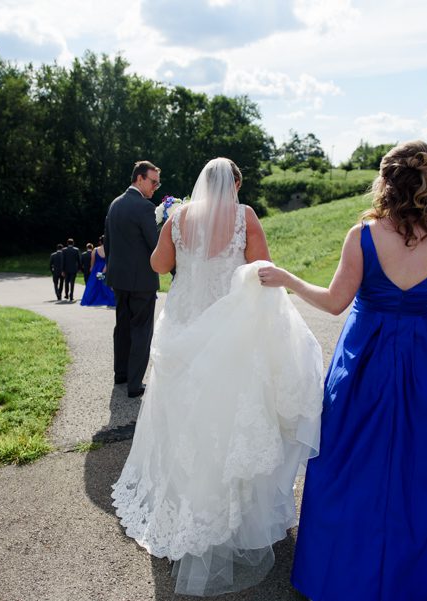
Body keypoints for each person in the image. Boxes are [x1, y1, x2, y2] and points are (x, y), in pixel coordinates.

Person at [258, 140, 427, 600]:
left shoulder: (363, 235)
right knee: (421, 460)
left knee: (347, 458)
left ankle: (339, 564)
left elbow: (335, 302)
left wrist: (288, 279)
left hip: (364, 358)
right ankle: (410, 565)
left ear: (385, 181)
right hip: (421, 361)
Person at [112, 158, 324, 596]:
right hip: (229, 331)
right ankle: (232, 516)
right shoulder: (245, 216)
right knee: (228, 417)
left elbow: (159, 265)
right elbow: (263, 271)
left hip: (184, 327)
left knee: (183, 419)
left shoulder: (177, 216)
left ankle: (185, 505)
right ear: (235, 185)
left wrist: (173, 234)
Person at [104, 161, 162, 398]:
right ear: (140, 178)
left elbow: (108, 243)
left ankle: (121, 375)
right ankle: (135, 384)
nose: (155, 187)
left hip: (118, 278)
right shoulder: (145, 207)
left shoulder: (115, 204)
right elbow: (155, 245)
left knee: (123, 326)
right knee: (141, 330)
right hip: (142, 281)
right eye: (153, 182)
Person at [80, 236, 116, 307]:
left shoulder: (95, 249)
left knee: (95, 285)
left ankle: (93, 299)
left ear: (100, 242)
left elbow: (92, 261)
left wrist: (92, 268)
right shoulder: (110, 249)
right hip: (106, 268)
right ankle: (109, 300)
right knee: (106, 285)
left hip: (97, 269)